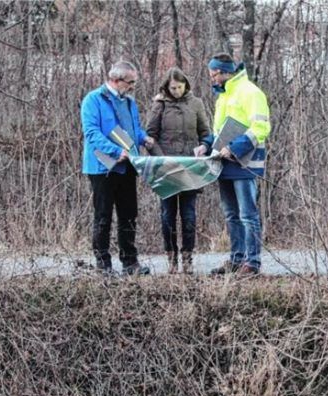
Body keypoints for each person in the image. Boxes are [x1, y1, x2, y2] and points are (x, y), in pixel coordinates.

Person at [197, 53, 270, 277]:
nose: (213, 79)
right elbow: (219, 131)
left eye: (215, 74)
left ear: (226, 71)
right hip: (224, 163)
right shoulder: (223, 97)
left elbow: (261, 128)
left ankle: (252, 262)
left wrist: (234, 148)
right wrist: (206, 144)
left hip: (244, 163)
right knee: (231, 215)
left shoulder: (251, 92)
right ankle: (236, 259)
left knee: (248, 214)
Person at [81, 60, 154, 276]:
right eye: (130, 82)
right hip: (103, 167)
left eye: (134, 82)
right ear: (115, 80)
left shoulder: (130, 103)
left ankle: (130, 262)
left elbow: (134, 130)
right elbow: (92, 133)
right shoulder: (93, 100)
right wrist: (115, 151)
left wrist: (144, 139)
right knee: (103, 216)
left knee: (129, 214)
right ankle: (103, 264)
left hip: (128, 166)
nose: (132, 86)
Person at [146, 68, 209, 274]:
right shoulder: (159, 105)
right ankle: (171, 258)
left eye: (180, 87)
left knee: (189, 215)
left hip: (190, 167)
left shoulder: (196, 103)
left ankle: (188, 257)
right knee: (167, 215)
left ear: (186, 86)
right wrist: (161, 159)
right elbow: (150, 136)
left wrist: (205, 146)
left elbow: (205, 133)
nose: (176, 91)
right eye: (173, 88)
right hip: (166, 168)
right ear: (167, 86)